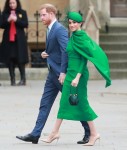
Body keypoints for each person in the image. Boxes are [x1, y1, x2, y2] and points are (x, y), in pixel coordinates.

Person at [16, 4, 90, 144]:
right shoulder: (50, 29)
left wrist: (63, 72)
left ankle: (89, 132)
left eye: (43, 15)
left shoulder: (59, 30)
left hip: (61, 76)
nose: (41, 18)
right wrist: (46, 54)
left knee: (75, 102)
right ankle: (35, 134)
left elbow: (65, 51)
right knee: (45, 103)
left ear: (51, 14)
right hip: (52, 74)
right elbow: (56, 50)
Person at [41, 12, 111, 146]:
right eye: (70, 22)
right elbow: (67, 55)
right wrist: (64, 72)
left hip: (78, 75)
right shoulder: (73, 37)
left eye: (75, 22)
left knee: (82, 103)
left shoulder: (82, 37)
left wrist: (77, 77)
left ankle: (94, 134)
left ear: (80, 24)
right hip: (70, 74)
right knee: (64, 102)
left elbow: (84, 59)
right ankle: (55, 132)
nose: (72, 25)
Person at [0, 0, 29, 86]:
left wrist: (16, 20)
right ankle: (12, 80)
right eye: (10, 3)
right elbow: (1, 25)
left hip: (19, 40)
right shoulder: (5, 13)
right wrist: (8, 20)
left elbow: (25, 24)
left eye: (13, 3)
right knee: (10, 59)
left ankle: (23, 79)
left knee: (20, 59)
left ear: (17, 3)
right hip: (8, 39)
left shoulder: (22, 12)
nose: (12, 5)